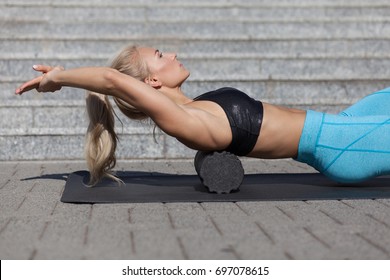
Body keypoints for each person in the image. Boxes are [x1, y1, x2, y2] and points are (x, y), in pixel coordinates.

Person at [15, 45, 390, 185]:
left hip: (341, 126)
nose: (173, 54)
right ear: (151, 82)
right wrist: (58, 78)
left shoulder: (193, 108)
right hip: (343, 146)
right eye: (161, 55)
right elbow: (111, 79)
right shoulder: (182, 121)